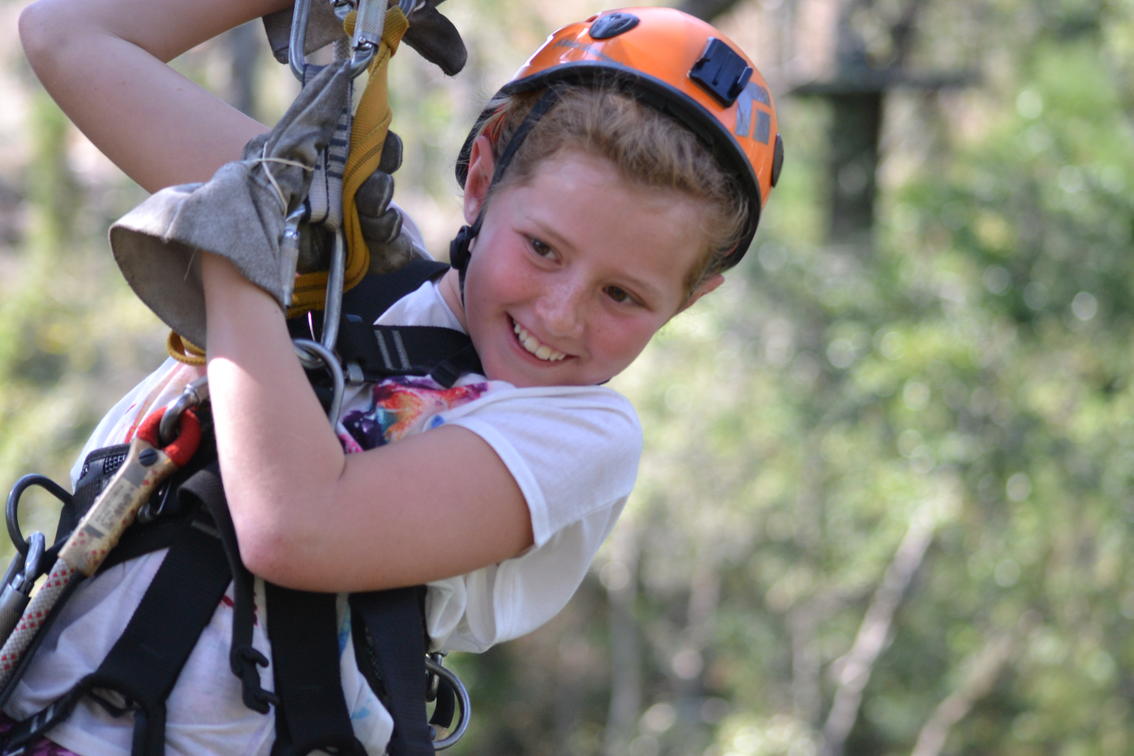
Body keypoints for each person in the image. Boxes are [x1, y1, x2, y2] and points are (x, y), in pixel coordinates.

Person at [8, 0, 783, 753]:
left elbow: (293, 527)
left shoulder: (580, 435)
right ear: (481, 179)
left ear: (686, 301)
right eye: (543, 248)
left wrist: (238, 251)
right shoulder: (331, 244)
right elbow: (68, 33)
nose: (559, 314)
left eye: (622, 295)